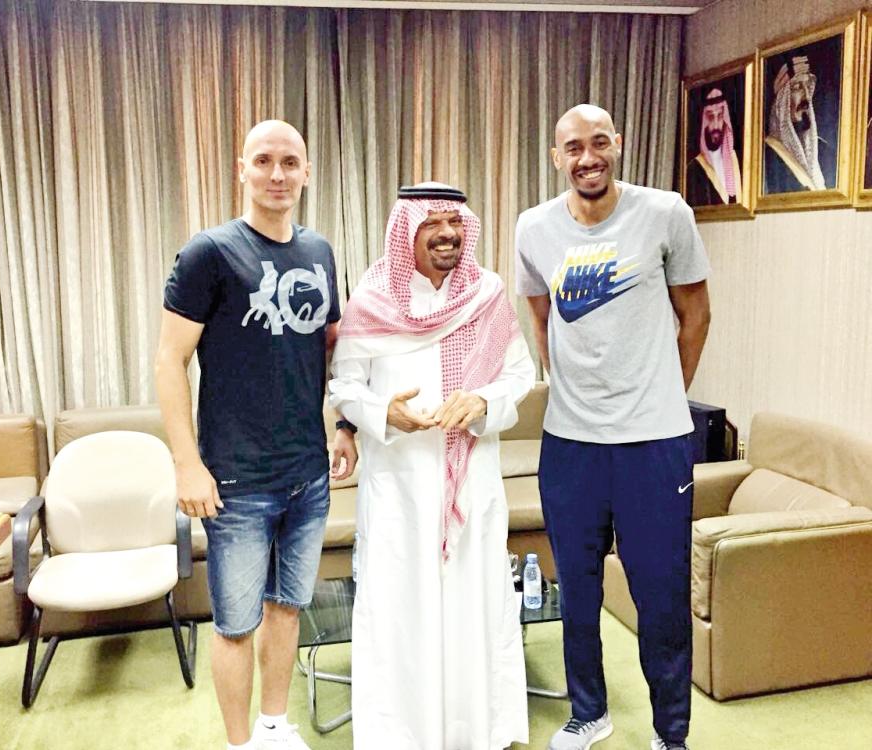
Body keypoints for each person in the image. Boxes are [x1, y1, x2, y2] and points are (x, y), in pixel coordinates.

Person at [154, 120, 357, 750]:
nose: (277, 174)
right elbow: (168, 361)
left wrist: (345, 423)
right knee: (236, 625)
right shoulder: (209, 253)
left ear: (307, 172)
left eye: (290, 162)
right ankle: (240, 743)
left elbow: (333, 346)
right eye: (263, 160)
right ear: (241, 169)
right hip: (236, 481)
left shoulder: (320, 252)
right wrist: (187, 465)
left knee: (288, 607)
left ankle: (274, 725)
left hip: (308, 475)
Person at [515, 105, 711, 750]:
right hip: (571, 443)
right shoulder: (534, 227)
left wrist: (662, 395)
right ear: (556, 157)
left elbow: (696, 316)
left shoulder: (665, 213)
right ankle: (588, 712)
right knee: (576, 589)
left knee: (660, 596)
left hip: (653, 444)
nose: (587, 157)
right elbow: (539, 313)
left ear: (618, 144)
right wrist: (568, 380)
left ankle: (671, 734)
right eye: (573, 147)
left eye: (599, 143)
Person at [329, 182, 534, 750]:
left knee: (474, 604)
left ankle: (475, 732)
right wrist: (382, 413)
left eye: (455, 222)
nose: (447, 233)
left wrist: (485, 401)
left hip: (471, 481)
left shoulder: (486, 293)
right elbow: (344, 385)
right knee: (401, 609)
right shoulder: (373, 298)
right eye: (431, 222)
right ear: (406, 230)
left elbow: (520, 374)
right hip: (398, 486)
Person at [764, 55, 834, 192]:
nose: (806, 96)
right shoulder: (767, 154)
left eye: (807, 86)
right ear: (781, 103)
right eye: (797, 87)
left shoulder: (824, 150)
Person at [686, 87, 741, 206]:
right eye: (711, 117)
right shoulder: (693, 169)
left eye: (720, 116)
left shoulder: (739, 162)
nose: (716, 125)